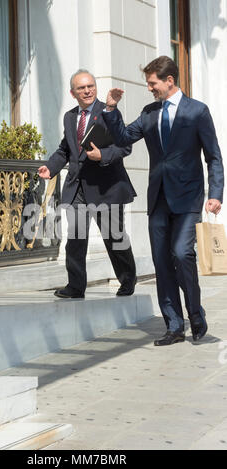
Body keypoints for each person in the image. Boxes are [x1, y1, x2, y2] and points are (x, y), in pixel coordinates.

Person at [102, 56, 224, 346]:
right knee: (162, 262)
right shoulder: (149, 112)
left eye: (152, 83)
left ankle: (195, 314)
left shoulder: (197, 112)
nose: (149, 88)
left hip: (188, 197)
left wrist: (216, 193)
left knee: (182, 254)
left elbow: (214, 156)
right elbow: (123, 138)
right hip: (158, 199)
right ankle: (173, 325)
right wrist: (111, 108)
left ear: (169, 80)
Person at [38, 69, 137, 299]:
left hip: (106, 188)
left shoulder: (109, 112)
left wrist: (101, 155)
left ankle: (127, 280)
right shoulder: (70, 117)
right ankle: (75, 287)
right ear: (73, 93)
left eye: (90, 86)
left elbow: (124, 147)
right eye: (81, 88)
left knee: (114, 237)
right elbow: (65, 148)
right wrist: (50, 168)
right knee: (75, 239)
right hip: (77, 188)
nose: (87, 91)